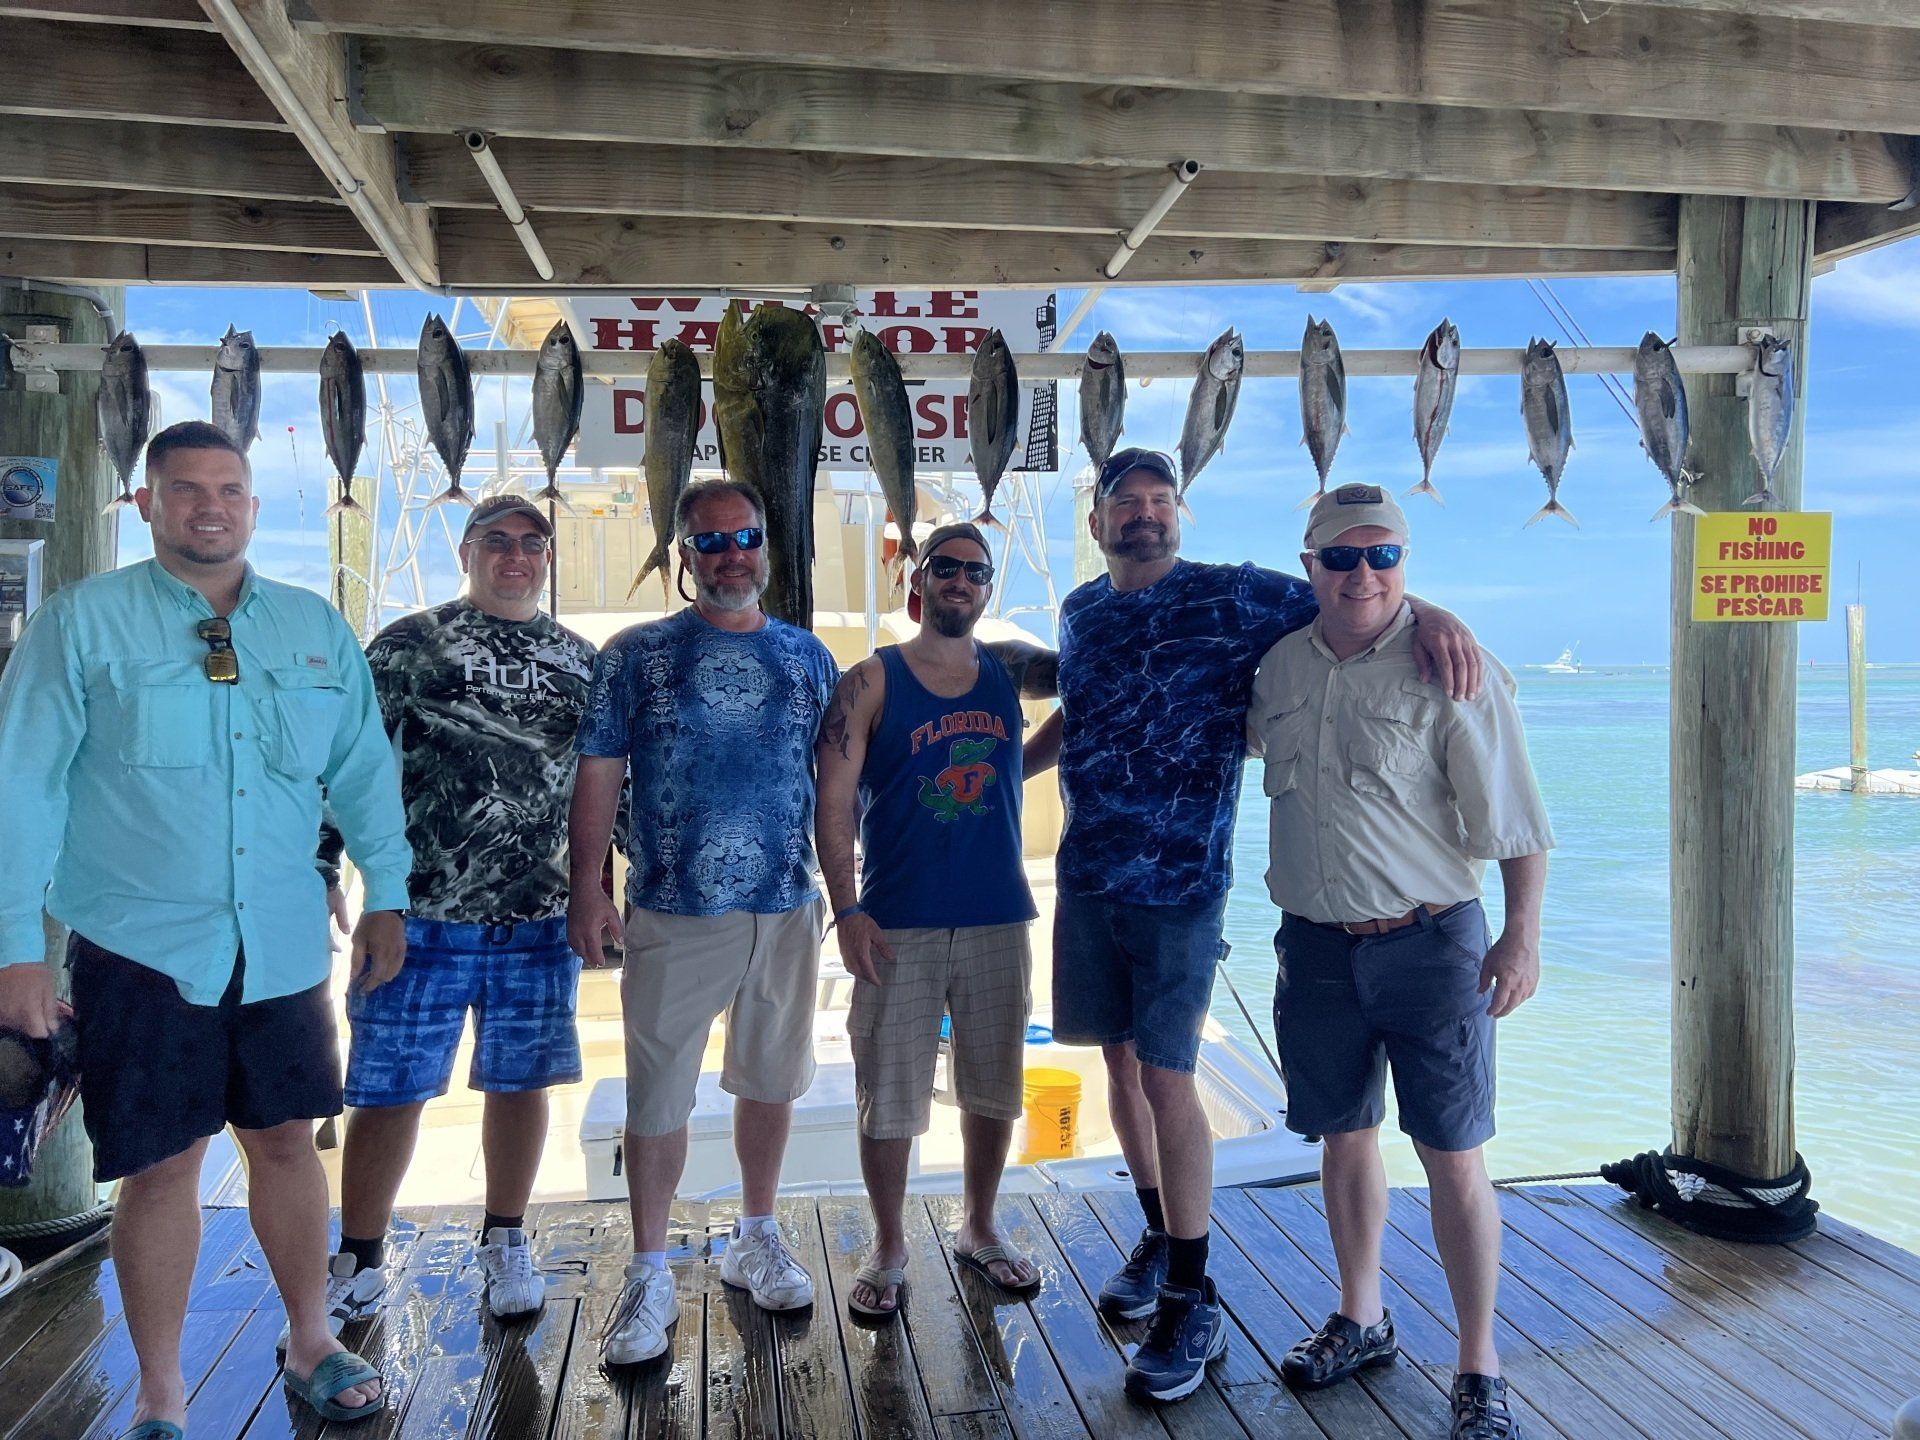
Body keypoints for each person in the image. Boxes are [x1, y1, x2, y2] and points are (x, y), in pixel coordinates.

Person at [1045, 448, 1482, 1405]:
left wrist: (1439, 614)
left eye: (1163, 502)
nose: (1145, 517)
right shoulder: (1080, 611)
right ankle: (1162, 1236)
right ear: (1100, 521)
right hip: (1087, 879)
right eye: (1127, 504)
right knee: (1115, 1068)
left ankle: (1193, 1298)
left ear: (1180, 515)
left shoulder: (1238, 595)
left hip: (1182, 886)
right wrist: (1005, 769)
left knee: (1169, 1078)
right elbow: (1081, 713)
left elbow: (1362, 599)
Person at [0, 421, 410, 1434]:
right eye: (186, 489)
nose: (210, 505)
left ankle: (312, 1339)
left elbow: (363, 775)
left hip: (277, 946)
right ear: (148, 504)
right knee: (162, 1169)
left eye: (228, 487)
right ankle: (162, 1390)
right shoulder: (81, 623)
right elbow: (21, 786)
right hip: (140, 950)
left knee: (285, 1147)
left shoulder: (314, 627)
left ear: (253, 506)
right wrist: (14, 946)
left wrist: (388, 894)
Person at [1250, 484, 1551, 1440]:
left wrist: (1522, 936)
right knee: (1345, 1138)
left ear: (1406, 563)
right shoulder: (1276, 667)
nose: (1364, 575)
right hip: (1316, 946)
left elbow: (1515, 819)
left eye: (1385, 557)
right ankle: (1362, 1313)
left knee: (1455, 1155)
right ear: (1310, 567)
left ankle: (1478, 1363)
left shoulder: (1452, 666)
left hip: (1433, 942)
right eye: (1342, 557)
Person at [568, 478, 838, 1365]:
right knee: (659, 1094)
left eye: (746, 538)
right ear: (686, 558)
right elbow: (600, 774)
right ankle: (649, 1269)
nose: (731, 555)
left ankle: (755, 1234)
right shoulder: (635, 654)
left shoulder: (808, 656)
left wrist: (850, 885)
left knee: (770, 1081)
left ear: (767, 548)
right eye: (712, 542)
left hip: (787, 905)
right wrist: (589, 887)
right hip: (675, 910)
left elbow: (835, 787)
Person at [318, 495, 597, 1334]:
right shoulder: (409, 644)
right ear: (468, 552)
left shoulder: (581, 660)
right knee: (388, 1091)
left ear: (547, 558)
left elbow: (602, 786)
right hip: (419, 916)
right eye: (498, 543)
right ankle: (359, 1256)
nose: (516, 556)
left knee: (523, 1084)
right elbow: (349, 756)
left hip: (541, 920)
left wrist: (614, 890)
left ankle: (506, 1240)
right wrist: (324, 859)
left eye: (532, 544)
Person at [814, 523, 1059, 1318]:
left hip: (997, 916)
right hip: (897, 919)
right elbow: (836, 799)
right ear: (919, 583)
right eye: (944, 568)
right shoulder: (872, 678)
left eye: (974, 571)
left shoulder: (1011, 670)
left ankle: (979, 1228)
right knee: (887, 1092)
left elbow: (1100, 686)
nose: (959, 581)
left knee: (994, 1087)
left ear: (988, 587)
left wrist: (1018, 769)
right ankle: (889, 1246)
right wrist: (845, 907)